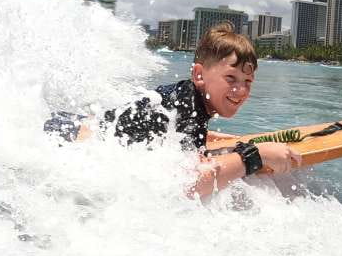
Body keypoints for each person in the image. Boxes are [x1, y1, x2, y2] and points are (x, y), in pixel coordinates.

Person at [44, 22, 301, 197]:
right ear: (199, 75)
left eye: (248, 82)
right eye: (231, 79)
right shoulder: (185, 105)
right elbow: (187, 185)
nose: (241, 90)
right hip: (62, 135)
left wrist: (230, 145)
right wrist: (255, 157)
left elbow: (170, 140)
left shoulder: (189, 103)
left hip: (76, 124)